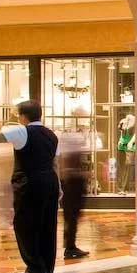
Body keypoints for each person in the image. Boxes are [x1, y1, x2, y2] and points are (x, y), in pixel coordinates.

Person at [0, 100, 60, 273]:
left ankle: (34, 267)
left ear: (23, 116)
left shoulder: (21, 130)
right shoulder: (51, 134)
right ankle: (47, 267)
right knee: (47, 224)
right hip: (50, 181)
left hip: (30, 182)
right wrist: (60, 188)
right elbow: (55, 163)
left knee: (26, 224)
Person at [59, 110, 90, 260]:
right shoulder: (72, 141)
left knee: (72, 215)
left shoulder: (67, 141)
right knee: (72, 214)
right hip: (73, 182)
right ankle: (70, 247)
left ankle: (70, 245)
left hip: (71, 181)